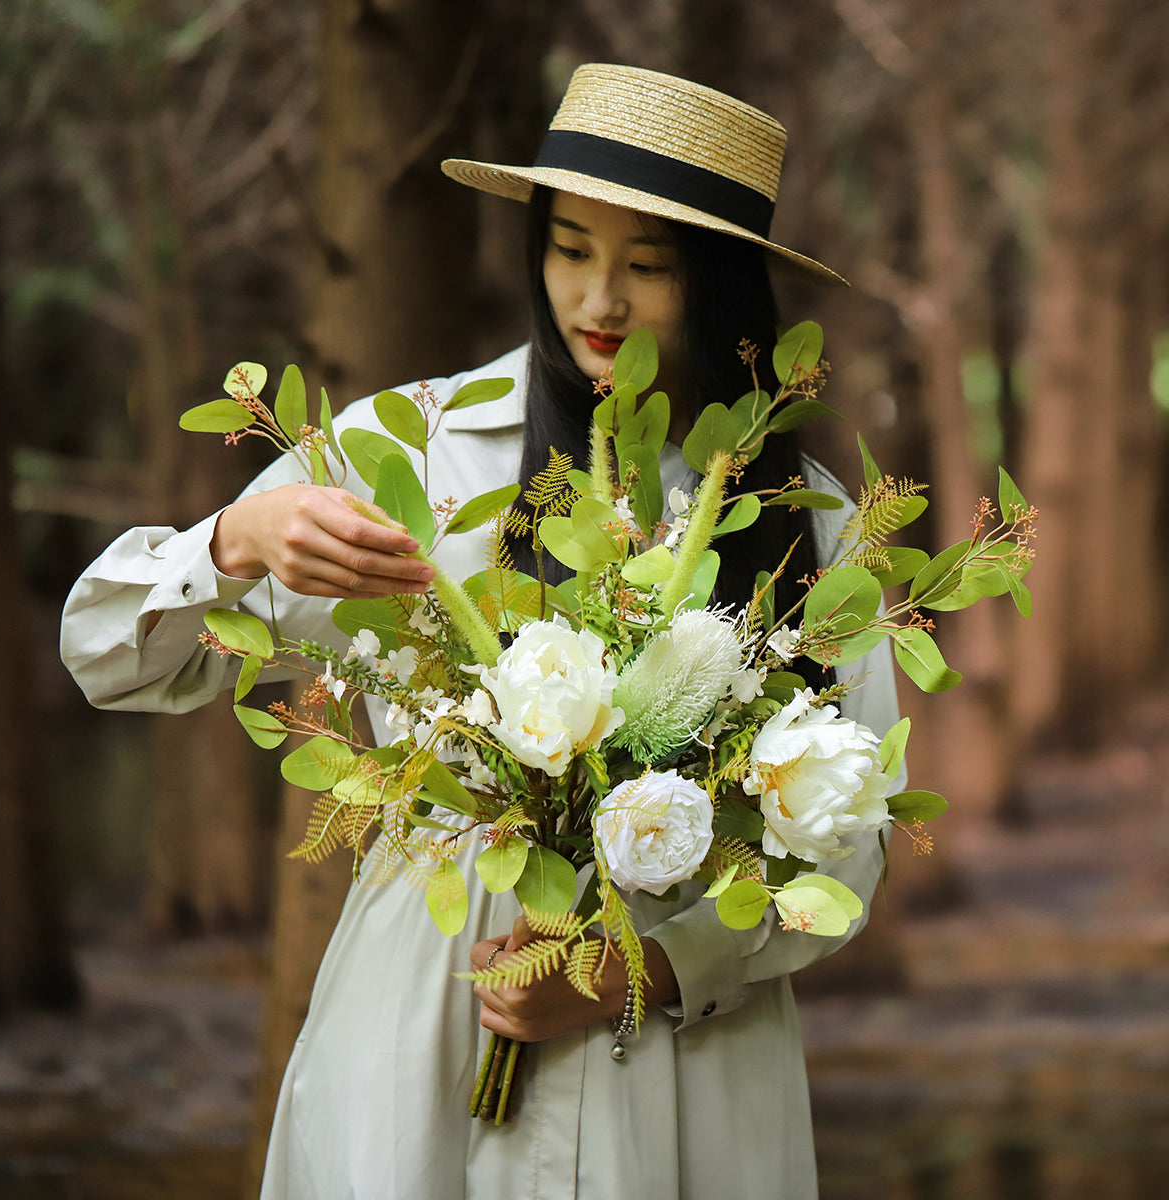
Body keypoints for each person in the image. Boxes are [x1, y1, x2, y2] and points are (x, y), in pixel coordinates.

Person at [62, 63, 904, 1199]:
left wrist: (640, 969)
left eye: (647, 265)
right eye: (568, 250)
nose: (598, 301)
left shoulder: (809, 522)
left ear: (719, 279)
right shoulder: (411, 452)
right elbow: (108, 657)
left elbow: (850, 845)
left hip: (682, 1070)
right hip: (424, 1030)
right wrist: (238, 537)